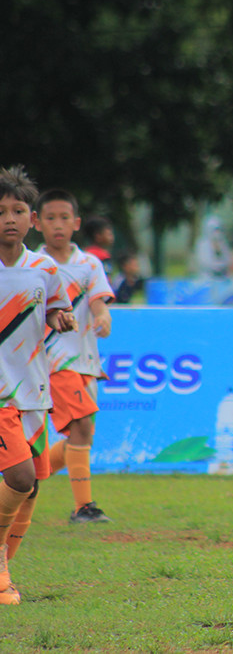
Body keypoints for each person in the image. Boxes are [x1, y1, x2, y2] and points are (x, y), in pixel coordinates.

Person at [0, 166, 77, 605]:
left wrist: (58, 317)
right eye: (0, 211)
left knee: (32, 486)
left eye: (18, 210)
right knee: (20, 476)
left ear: (32, 219)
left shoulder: (44, 268)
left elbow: (53, 308)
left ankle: (4, 569)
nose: (9, 218)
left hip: (33, 392)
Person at [33, 189, 115, 524]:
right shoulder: (34, 265)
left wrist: (103, 316)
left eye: (64, 217)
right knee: (81, 426)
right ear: (36, 223)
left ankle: (24, 478)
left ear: (77, 223)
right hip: (53, 362)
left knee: (83, 435)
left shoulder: (89, 263)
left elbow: (98, 300)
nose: (58, 225)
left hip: (86, 361)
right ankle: (84, 508)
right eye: (50, 218)